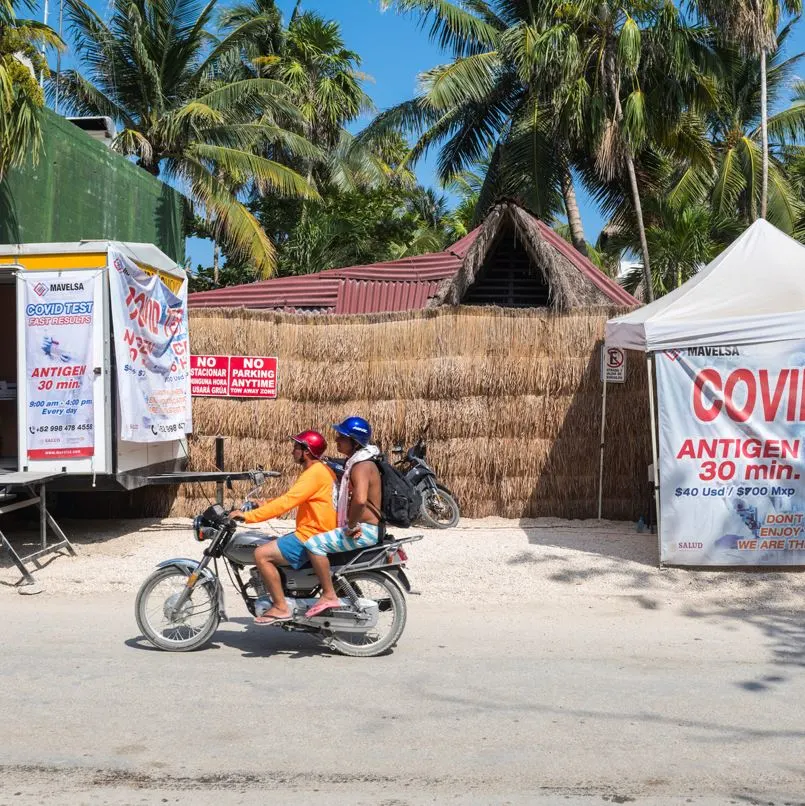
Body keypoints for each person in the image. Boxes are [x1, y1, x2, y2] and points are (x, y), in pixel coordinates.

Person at [229, 430, 337, 625]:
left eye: (297, 447)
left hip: (312, 534)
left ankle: (280, 607)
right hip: (316, 529)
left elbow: (288, 502)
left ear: (307, 451)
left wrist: (249, 516)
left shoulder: (314, 473)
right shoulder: (320, 470)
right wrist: (262, 504)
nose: (292, 451)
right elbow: (293, 498)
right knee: (271, 545)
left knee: (262, 554)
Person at [303, 416, 382, 618]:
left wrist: (351, 525)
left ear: (354, 442)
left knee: (313, 545)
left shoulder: (361, 465)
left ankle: (329, 595)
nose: (336, 440)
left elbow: (360, 499)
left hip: (365, 530)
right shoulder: (356, 462)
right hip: (365, 526)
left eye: (341, 437)